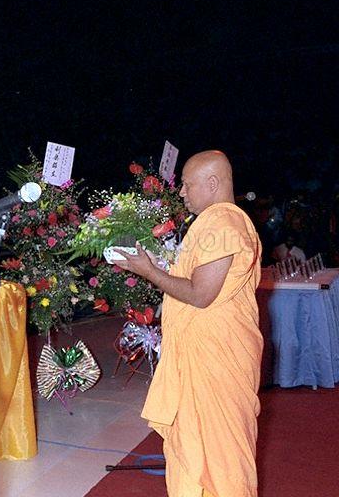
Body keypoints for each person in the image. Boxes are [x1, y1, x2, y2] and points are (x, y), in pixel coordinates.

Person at [115, 150, 262, 497]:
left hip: (218, 360)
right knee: (194, 453)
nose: (181, 192)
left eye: (186, 185)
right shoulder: (212, 223)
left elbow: (200, 294)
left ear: (212, 183)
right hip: (201, 356)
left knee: (222, 464)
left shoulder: (224, 224)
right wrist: (157, 266)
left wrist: (149, 272)